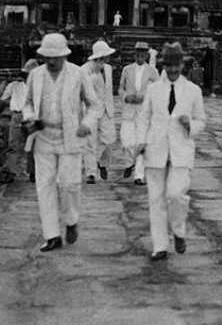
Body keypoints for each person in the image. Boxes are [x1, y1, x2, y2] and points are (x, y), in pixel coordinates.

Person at [21, 33, 101, 252]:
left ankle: (71, 220)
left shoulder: (77, 74)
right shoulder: (35, 75)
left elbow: (94, 105)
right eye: (47, 57)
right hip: (43, 136)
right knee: (44, 186)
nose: (51, 61)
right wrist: (29, 118)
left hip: (70, 137)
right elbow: (26, 103)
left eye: (55, 57)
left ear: (64, 56)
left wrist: (87, 123)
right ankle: (52, 235)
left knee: (69, 184)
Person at [135, 42, 206, 261]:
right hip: (155, 149)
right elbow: (144, 117)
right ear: (164, 66)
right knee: (156, 200)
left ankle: (178, 230)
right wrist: (141, 141)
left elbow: (202, 121)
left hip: (181, 150)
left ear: (182, 65)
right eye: (169, 66)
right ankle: (160, 246)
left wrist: (190, 125)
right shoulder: (154, 89)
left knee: (176, 195)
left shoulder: (193, 91)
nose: (173, 70)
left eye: (177, 66)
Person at [0, 58, 39, 182]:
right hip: (17, 116)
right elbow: (1, 99)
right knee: (13, 145)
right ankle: (11, 172)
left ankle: (34, 172)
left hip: (33, 117)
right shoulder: (15, 85)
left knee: (35, 146)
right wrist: (1, 87)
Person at [118, 41, 159, 186]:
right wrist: (125, 97)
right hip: (129, 111)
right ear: (134, 54)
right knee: (127, 142)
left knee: (141, 144)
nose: (140, 57)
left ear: (146, 55)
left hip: (144, 112)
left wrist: (146, 98)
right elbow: (120, 89)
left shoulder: (153, 72)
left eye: (142, 55)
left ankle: (139, 176)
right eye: (137, 54)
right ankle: (130, 162)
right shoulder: (127, 70)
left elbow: (158, 91)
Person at [81, 40, 117, 184]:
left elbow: (108, 90)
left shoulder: (108, 68)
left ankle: (100, 163)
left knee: (109, 139)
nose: (108, 58)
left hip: (107, 109)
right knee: (90, 142)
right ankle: (90, 173)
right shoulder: (84, 70)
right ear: (100, 57)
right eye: (106, 55)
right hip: (91, 111)